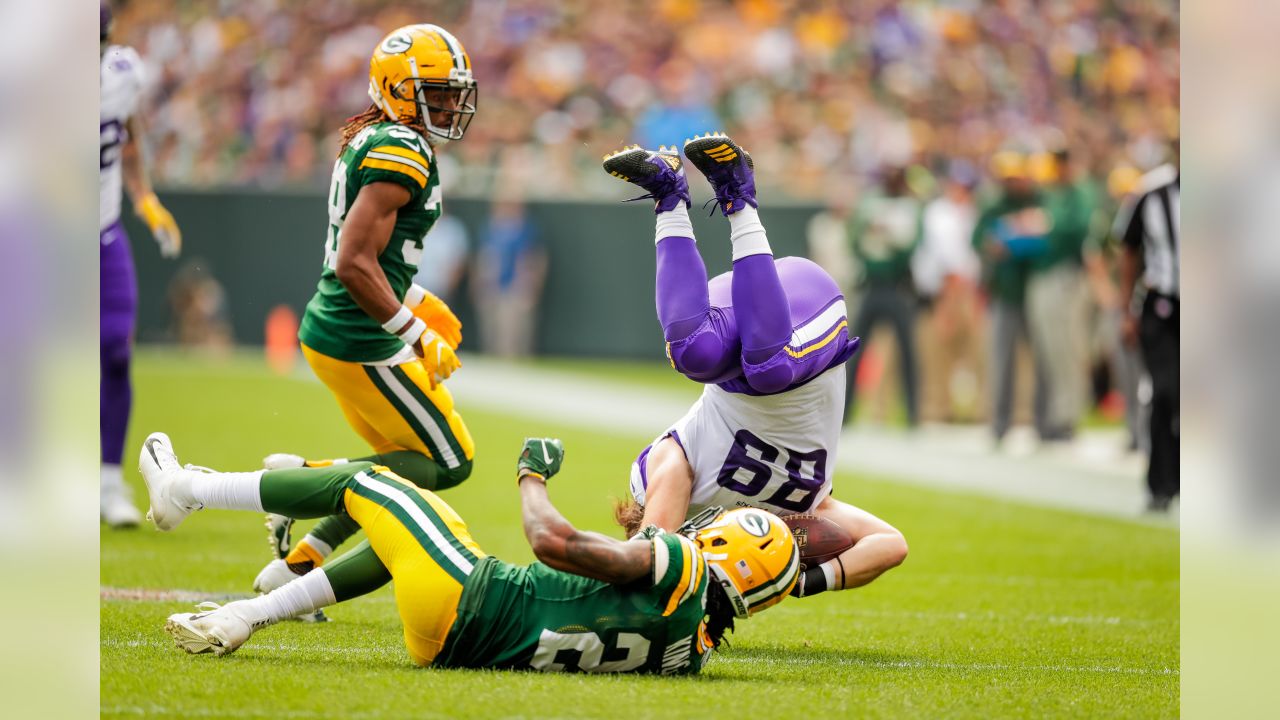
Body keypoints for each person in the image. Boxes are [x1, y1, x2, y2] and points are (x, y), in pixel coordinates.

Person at [139, 433, 799, 673]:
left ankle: (185, 490)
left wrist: (532, 475)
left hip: (468, 596)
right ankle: (246, 615)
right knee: (415, 534)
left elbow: (554, 542)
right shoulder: (691, 653)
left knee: (371, 483)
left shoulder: (682, 567)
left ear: (723, 545)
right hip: (456, 643)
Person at [602, 134, 907, 600]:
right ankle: (685, 193)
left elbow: (657, 555)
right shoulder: (801, 509)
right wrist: (794, 581)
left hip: (787, 303)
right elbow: (890, 545)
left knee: (703, 355)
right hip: (796, 328)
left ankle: (702, 197)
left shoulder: (665, 478)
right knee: (754, 365)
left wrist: (660, 580)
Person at [252, 24, 479, 599]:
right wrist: (416, 331)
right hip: (360, 335)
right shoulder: (400, 148)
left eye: (456, 91)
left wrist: (418, 298)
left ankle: (299, 564)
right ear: (396, 88)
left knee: (402, 463)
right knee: (448, 462)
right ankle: (295, 481)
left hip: (338, 328)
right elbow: (354, 261)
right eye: (438, 90)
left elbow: (365, 255)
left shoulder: (377, 137)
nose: (452, 103)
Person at [100, 2, 183, 527]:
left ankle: (108, 483)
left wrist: (144, 196)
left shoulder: (121, 72)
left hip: (101, 234)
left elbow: (126, 138)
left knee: (115, 352)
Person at [972, 151, 1050, 446]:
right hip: (1005, 292)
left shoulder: (1041, 201)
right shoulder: (994, 205)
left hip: (1035, 289)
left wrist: (1017, 240)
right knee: (1002, 360)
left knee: (1042, 358)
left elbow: (1046, 239)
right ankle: (1000, 424)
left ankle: (1044, 424)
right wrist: (993, 245)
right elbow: (979, 239)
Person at [1025, 150, 1098, 441]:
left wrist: (1045, 226)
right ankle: (1049, 417)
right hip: (1041, 275)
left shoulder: (1080, 193)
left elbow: (1077, 229)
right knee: (1047, 349)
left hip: (1065, 276)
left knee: (1066, 348)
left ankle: (1067, 418)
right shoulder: (1049, 194)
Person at [1118, 162, 1179, 511]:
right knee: (1165, 391)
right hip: (1162, 306)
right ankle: (1160, 485)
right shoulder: (1151, 192)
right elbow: (1128, 249)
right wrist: (1127, 311)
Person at [844, 166, 924, 427]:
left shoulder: (910, 208)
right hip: (871, 285)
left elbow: (911, 246)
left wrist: (887, 237)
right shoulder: (870, 204)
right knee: (855, 350)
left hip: (897, 286)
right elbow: (855, 240)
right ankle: (845, 413)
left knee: (908, 352)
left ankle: (913, 414)